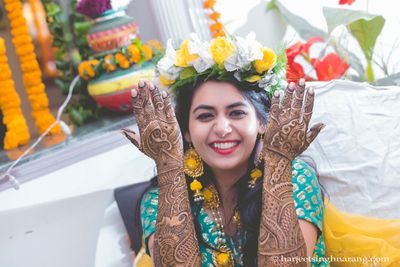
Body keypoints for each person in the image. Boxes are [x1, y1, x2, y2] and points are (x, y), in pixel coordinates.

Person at [121, 33, 327, 266]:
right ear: (185, 130)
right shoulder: (159, 199)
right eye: (205, 116)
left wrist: (278, 161)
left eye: (236, 113)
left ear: (263, 122)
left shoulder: (294, 178)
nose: (222, 128)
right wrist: (168, 164)